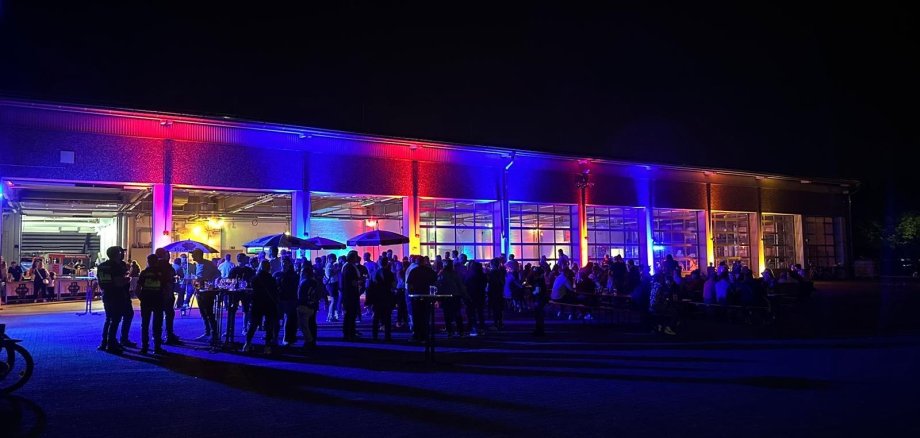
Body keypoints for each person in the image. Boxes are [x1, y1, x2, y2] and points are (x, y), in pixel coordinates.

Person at [96, 246, 130, 353]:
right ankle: (112, 343)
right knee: (115, 320)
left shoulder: (102, 266)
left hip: (106, 293)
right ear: (117, 254)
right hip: (117, 294)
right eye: (120, 253)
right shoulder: (116, 266)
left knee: (108, 318)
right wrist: (127, 280)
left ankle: (104, 342)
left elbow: (100, 280)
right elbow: (118, 282)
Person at [243, 260, 280, 354]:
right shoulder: (271, 278)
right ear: (269, 267)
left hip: (257, 303)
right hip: (269, 303)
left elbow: (252, 290)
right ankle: (267, 346)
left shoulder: (255, 278)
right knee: (269, 325)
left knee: (253, 324)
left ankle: (247, 344)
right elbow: (275, 291)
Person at [137, 254, 166, 354]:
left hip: (146, 300)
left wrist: (141, 298)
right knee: (157, 324)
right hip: (158, 300)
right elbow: (165, 287)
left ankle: (144, 347)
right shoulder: (161, 272)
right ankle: (157, 347)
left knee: (145, 324)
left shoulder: (144, 273)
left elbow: (138, 288)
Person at [191, 248, 220, 343]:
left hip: (207, 292)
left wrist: (210, 281)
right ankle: (207, 332)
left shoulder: (208, 263)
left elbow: (217, 273)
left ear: (199, 255)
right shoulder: (197, 264)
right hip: (199, 291)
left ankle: (214, 334)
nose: (192, 256)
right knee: (203, 313)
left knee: (209, 313)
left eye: (194, 254)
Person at [406, 256, 437, 342]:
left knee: (417, 316)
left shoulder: (414, 271)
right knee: (425, 316)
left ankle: (417, 335)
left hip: (416, 296)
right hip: (427, 295)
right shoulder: (429, 271)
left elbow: (409, 284)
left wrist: (410, 294)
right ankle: (425, 335)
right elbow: (435, 280)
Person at [156, 249, 181, 346]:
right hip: (167, 292)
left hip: (157, 293)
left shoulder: (153, 265)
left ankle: (157, 336)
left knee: (158, 315)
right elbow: (171, 276)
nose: (169, 256)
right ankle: (169, 335)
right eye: (168, 254)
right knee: (169, 314)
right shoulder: (166, 265)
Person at [296, 262, 321, 351]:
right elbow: (318, 294)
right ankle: (312, 341)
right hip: (313, 305)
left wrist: (299, 303)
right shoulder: (315, 281)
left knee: (304, 325)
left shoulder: (304, 282)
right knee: (312, 324)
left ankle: (309, 341)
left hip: (305, 305)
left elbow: (301, 295)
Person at [370, 256, 396, 341]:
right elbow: (393, 285)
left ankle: (374, 335)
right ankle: (387, 336)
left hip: (377, 297)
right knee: (387, 317)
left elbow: (370, 287)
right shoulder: (390, 273)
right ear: (387, 263)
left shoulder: (374, 273)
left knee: (376, 317)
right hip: (387, 297)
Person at [275, 257, 299, 347]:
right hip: (280, 299)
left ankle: (286, 338)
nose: (283, 264)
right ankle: (275, 338)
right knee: (277, 319)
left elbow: (294, 287)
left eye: (285, 262)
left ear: (289, 264)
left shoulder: (293, 275)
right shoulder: (278, 274)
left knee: (288, 319)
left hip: (290, 299)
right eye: (282, 262)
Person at [340, 250, 363, 340]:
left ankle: (350, 331)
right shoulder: (349, 267)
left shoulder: (349, 266)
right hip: (350, 294)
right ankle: (348, 333)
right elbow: (351, 281)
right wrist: (359, 281)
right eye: (356, 257)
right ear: (353, 258)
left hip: (350, 293)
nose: (358, 258)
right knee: (350, 314)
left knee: (351, 314)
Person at [464, 261, 487, 336]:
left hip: (471, 295)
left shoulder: (470, 275)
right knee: (480, 312)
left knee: (471, 312)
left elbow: (466, 285)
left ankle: (472, 327)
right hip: (480, 295)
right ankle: (481, 327)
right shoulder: (483, 275)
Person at [487, 258, 506, 329]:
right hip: (500, 291)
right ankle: (500, 323)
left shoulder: (492, 272)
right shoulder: (501, 271)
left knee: (495, 308)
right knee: (499, 308)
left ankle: (496, 324)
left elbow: (491, 282)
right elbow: (502, 282)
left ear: (492, 264)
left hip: (494, 291)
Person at [531, 267, 549, 336]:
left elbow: (537, 291)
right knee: (540, 316)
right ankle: (540, 330)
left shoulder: (538, 280)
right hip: (541, 299)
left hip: (538, 299)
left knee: (538, 316)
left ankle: (539, 330)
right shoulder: (541, 280)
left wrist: (532, 293)